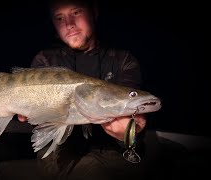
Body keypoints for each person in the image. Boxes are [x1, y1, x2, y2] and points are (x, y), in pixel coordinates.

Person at [16, 0, 162, 179]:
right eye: (59, 17)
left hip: (112, 154)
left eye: (76, 12)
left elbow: (130, 105)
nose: (69, 24)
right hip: (59, 159)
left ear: (94, 11)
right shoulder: (45, 60)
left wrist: (132, 129)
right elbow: (39, 121)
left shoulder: (123, 60)